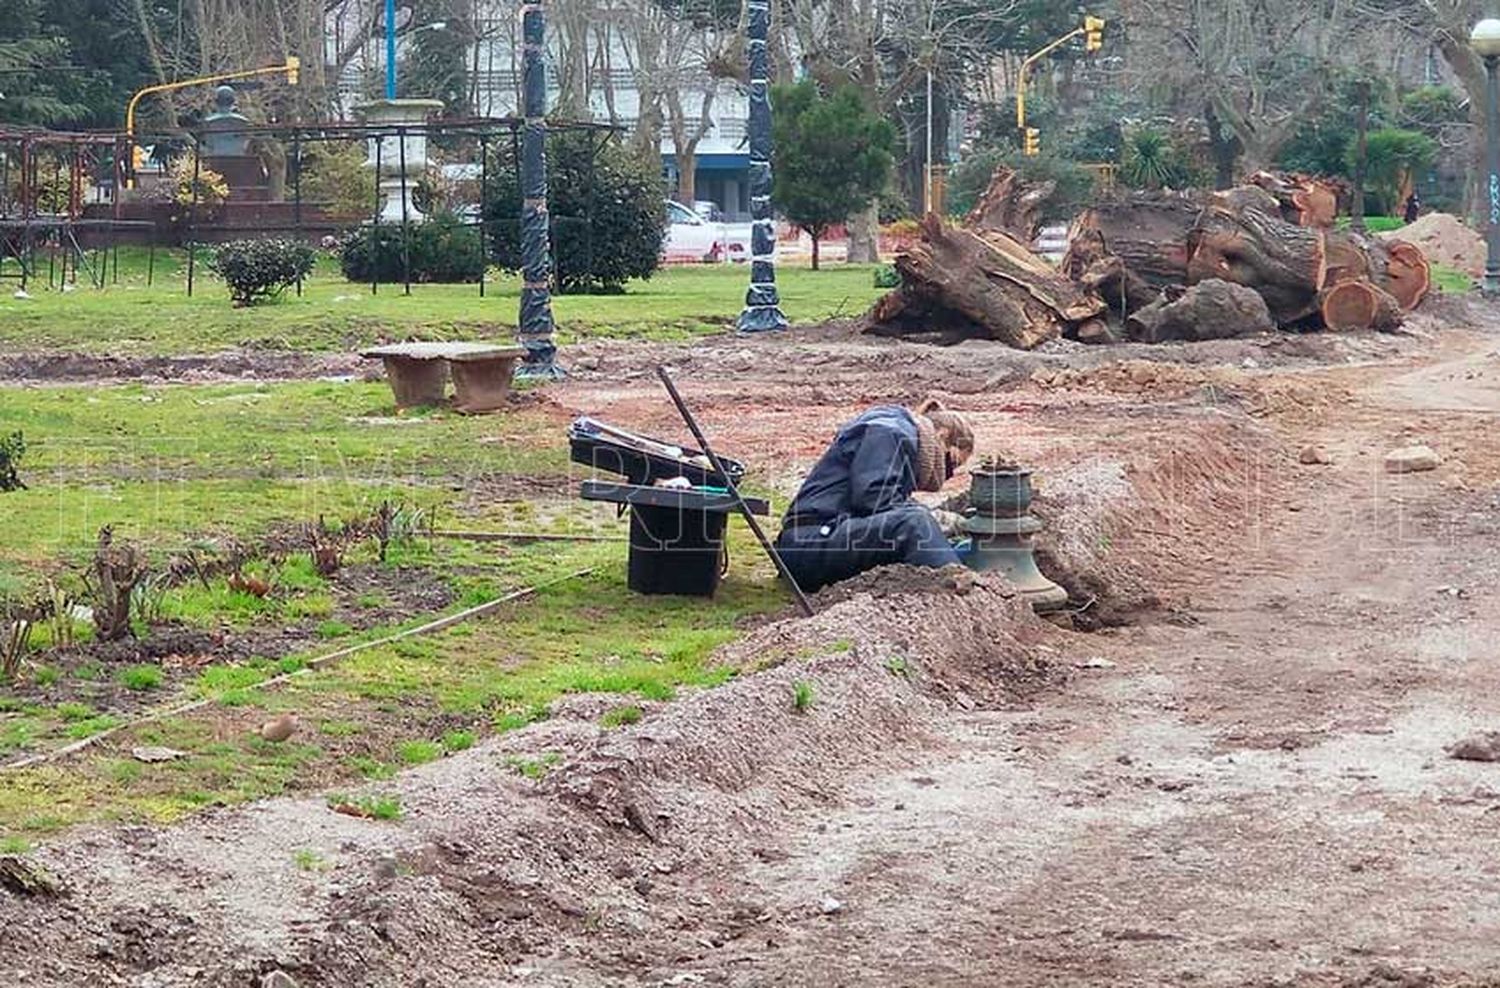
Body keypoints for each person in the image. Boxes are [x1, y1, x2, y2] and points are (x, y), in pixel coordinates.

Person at [775, 399, 975, 592]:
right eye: (953, 463)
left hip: (816, 540)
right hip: (808, 547)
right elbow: (874, 499)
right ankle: (964, 596)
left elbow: (885, 506)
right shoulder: (889, 433)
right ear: (942, 435)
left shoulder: (895, 434)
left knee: (920, 522)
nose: (949, 473)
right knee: (916, 523)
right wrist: (937, 520)